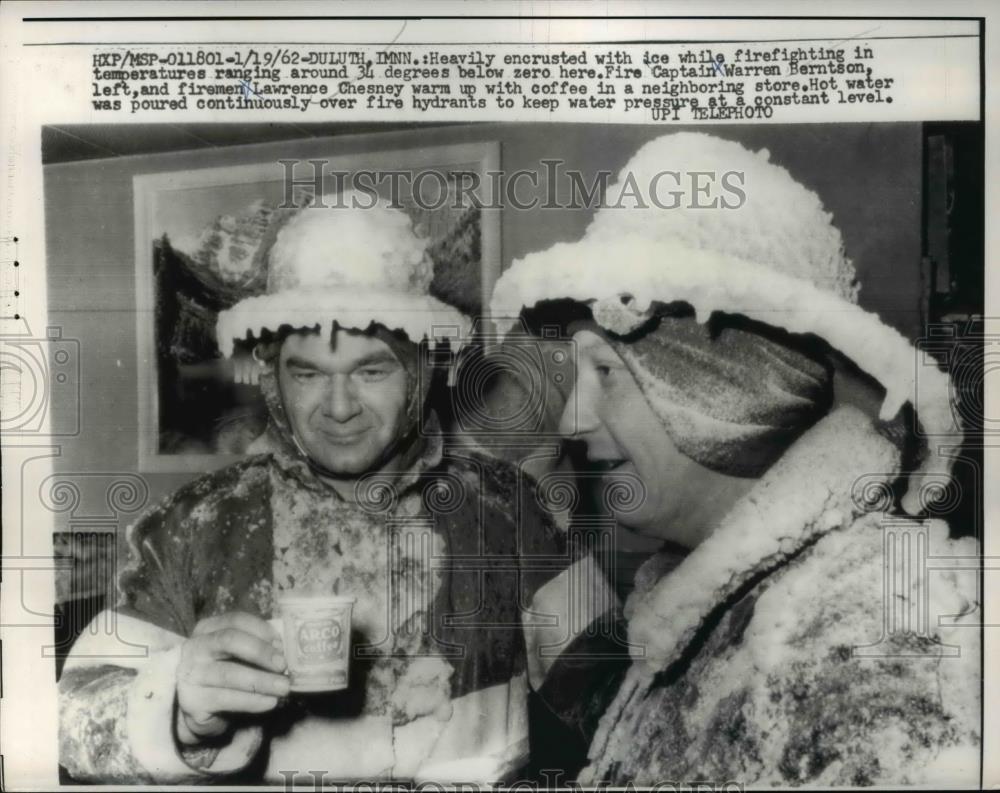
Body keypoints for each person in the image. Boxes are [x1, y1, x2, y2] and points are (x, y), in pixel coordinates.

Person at [58, 196, 623, 784]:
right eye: (308, 374)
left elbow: (615, 695)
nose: (338, 407)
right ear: (274, 378)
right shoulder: (199, 524)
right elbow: (70, 718)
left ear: (423, 370)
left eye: (371, 371)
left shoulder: (507, 509)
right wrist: (177, 710)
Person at [490, 132, 980, 787]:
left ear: (722, 384)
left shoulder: (875, 639)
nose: (573, 419)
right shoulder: (689, 606)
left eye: (605, 370)